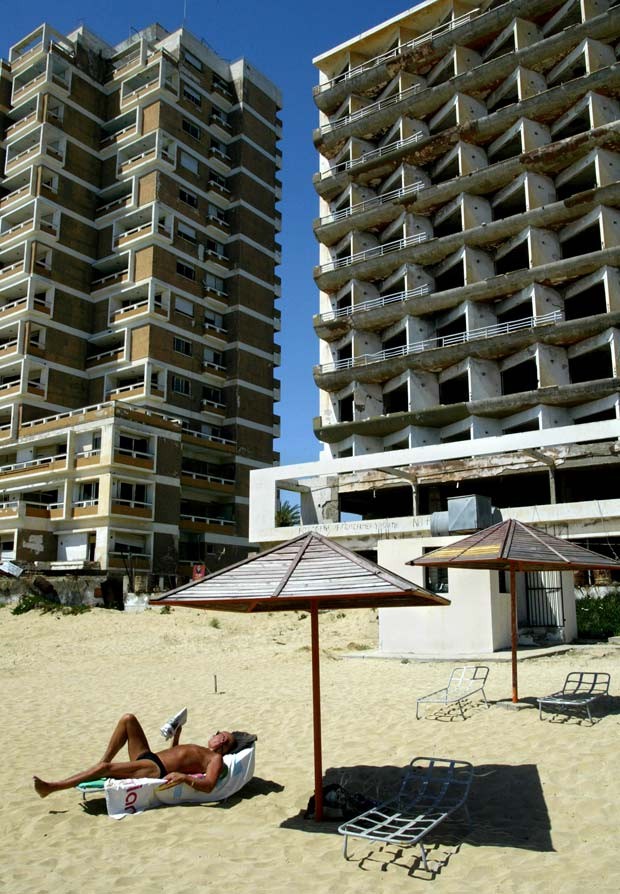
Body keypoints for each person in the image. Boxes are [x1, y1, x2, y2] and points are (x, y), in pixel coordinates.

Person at [33, 713, 237, 798]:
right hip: (149, 757)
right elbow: (180, 757)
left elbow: (209, 785)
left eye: (224, 739)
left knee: (106, 771)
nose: (219, 738)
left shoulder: (215, 760)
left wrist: (185, 778)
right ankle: (104, 760)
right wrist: (177, 736)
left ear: (224, 748)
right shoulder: (200, 749)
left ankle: (52, 788)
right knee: (128, 719)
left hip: (154, 769)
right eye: (220, 734)